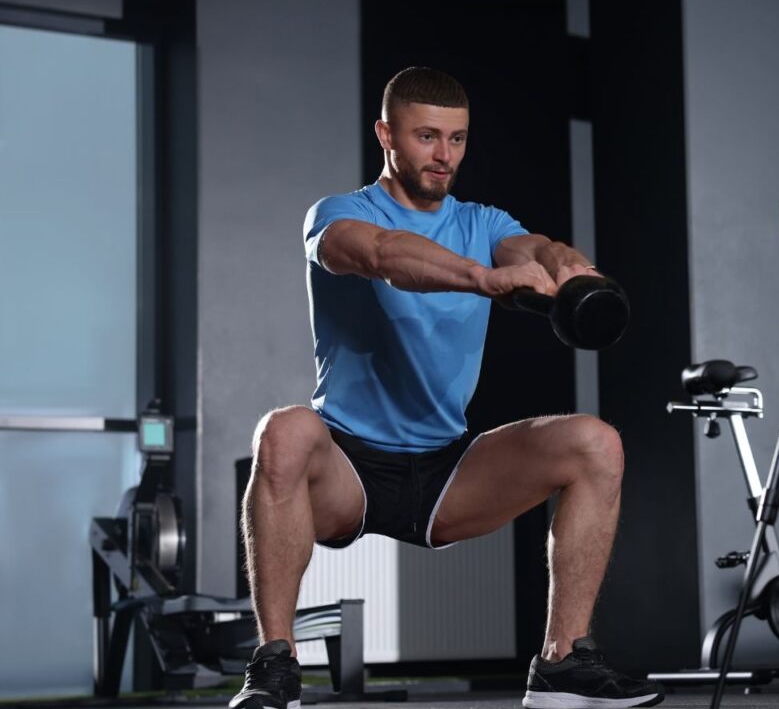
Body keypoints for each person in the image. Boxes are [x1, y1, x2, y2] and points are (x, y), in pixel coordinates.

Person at [230, 66, 663, 709]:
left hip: (446, 471)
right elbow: (382, 253)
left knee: (596, 442)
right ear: (386, 134)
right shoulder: (338, 214)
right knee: (285, 430)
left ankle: (561, 667)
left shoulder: (484, 223)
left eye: (457, 140)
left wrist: (568, 269)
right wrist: (479, 279)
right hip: (346, 467)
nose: (444, 156)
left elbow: (531, 248)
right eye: (427, 136)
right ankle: (274, 669)